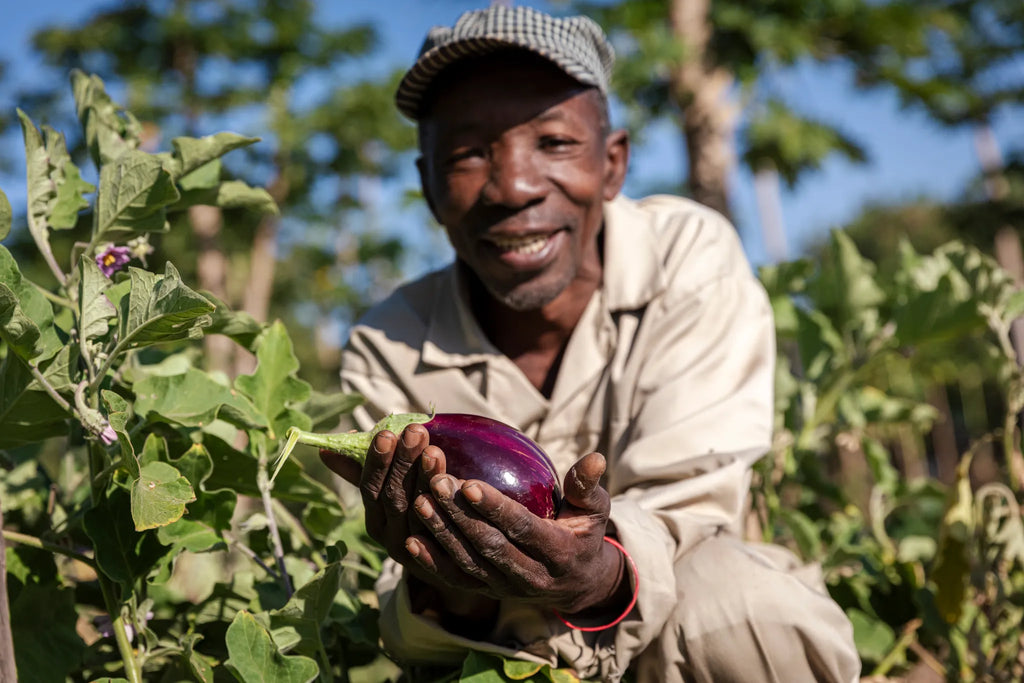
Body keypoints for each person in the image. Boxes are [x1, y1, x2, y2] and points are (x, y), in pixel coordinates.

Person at [319, 5, 861, 682]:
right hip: (488, 657)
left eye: (554, 143)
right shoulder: (387, 343)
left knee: (743, 607)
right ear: (429, 186)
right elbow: (398, 607)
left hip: (677, 641)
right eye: (467, 152)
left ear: (612, 164)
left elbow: (691, 513)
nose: (513, 185)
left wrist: (599, 576)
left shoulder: (688, 260)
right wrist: (440, 575)